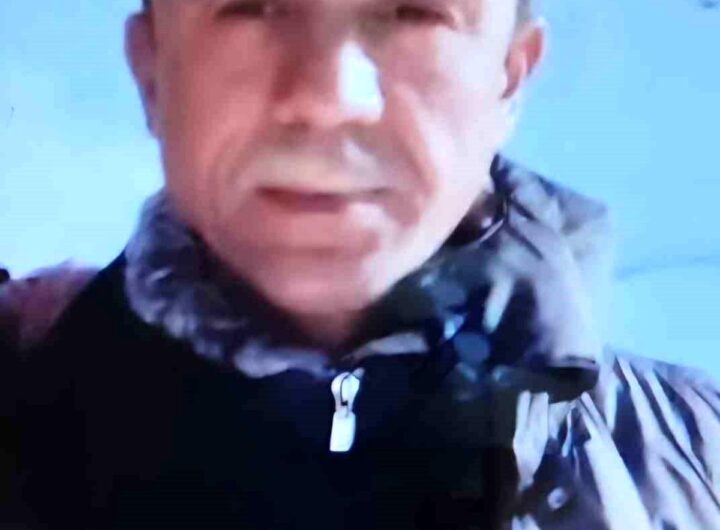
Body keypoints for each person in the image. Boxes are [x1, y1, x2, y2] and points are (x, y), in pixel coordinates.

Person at [2, 0, 719, 528]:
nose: (330, 96)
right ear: (152, 68)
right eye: (251, 6)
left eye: (414, 12)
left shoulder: (700, 458)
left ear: (509, 78)